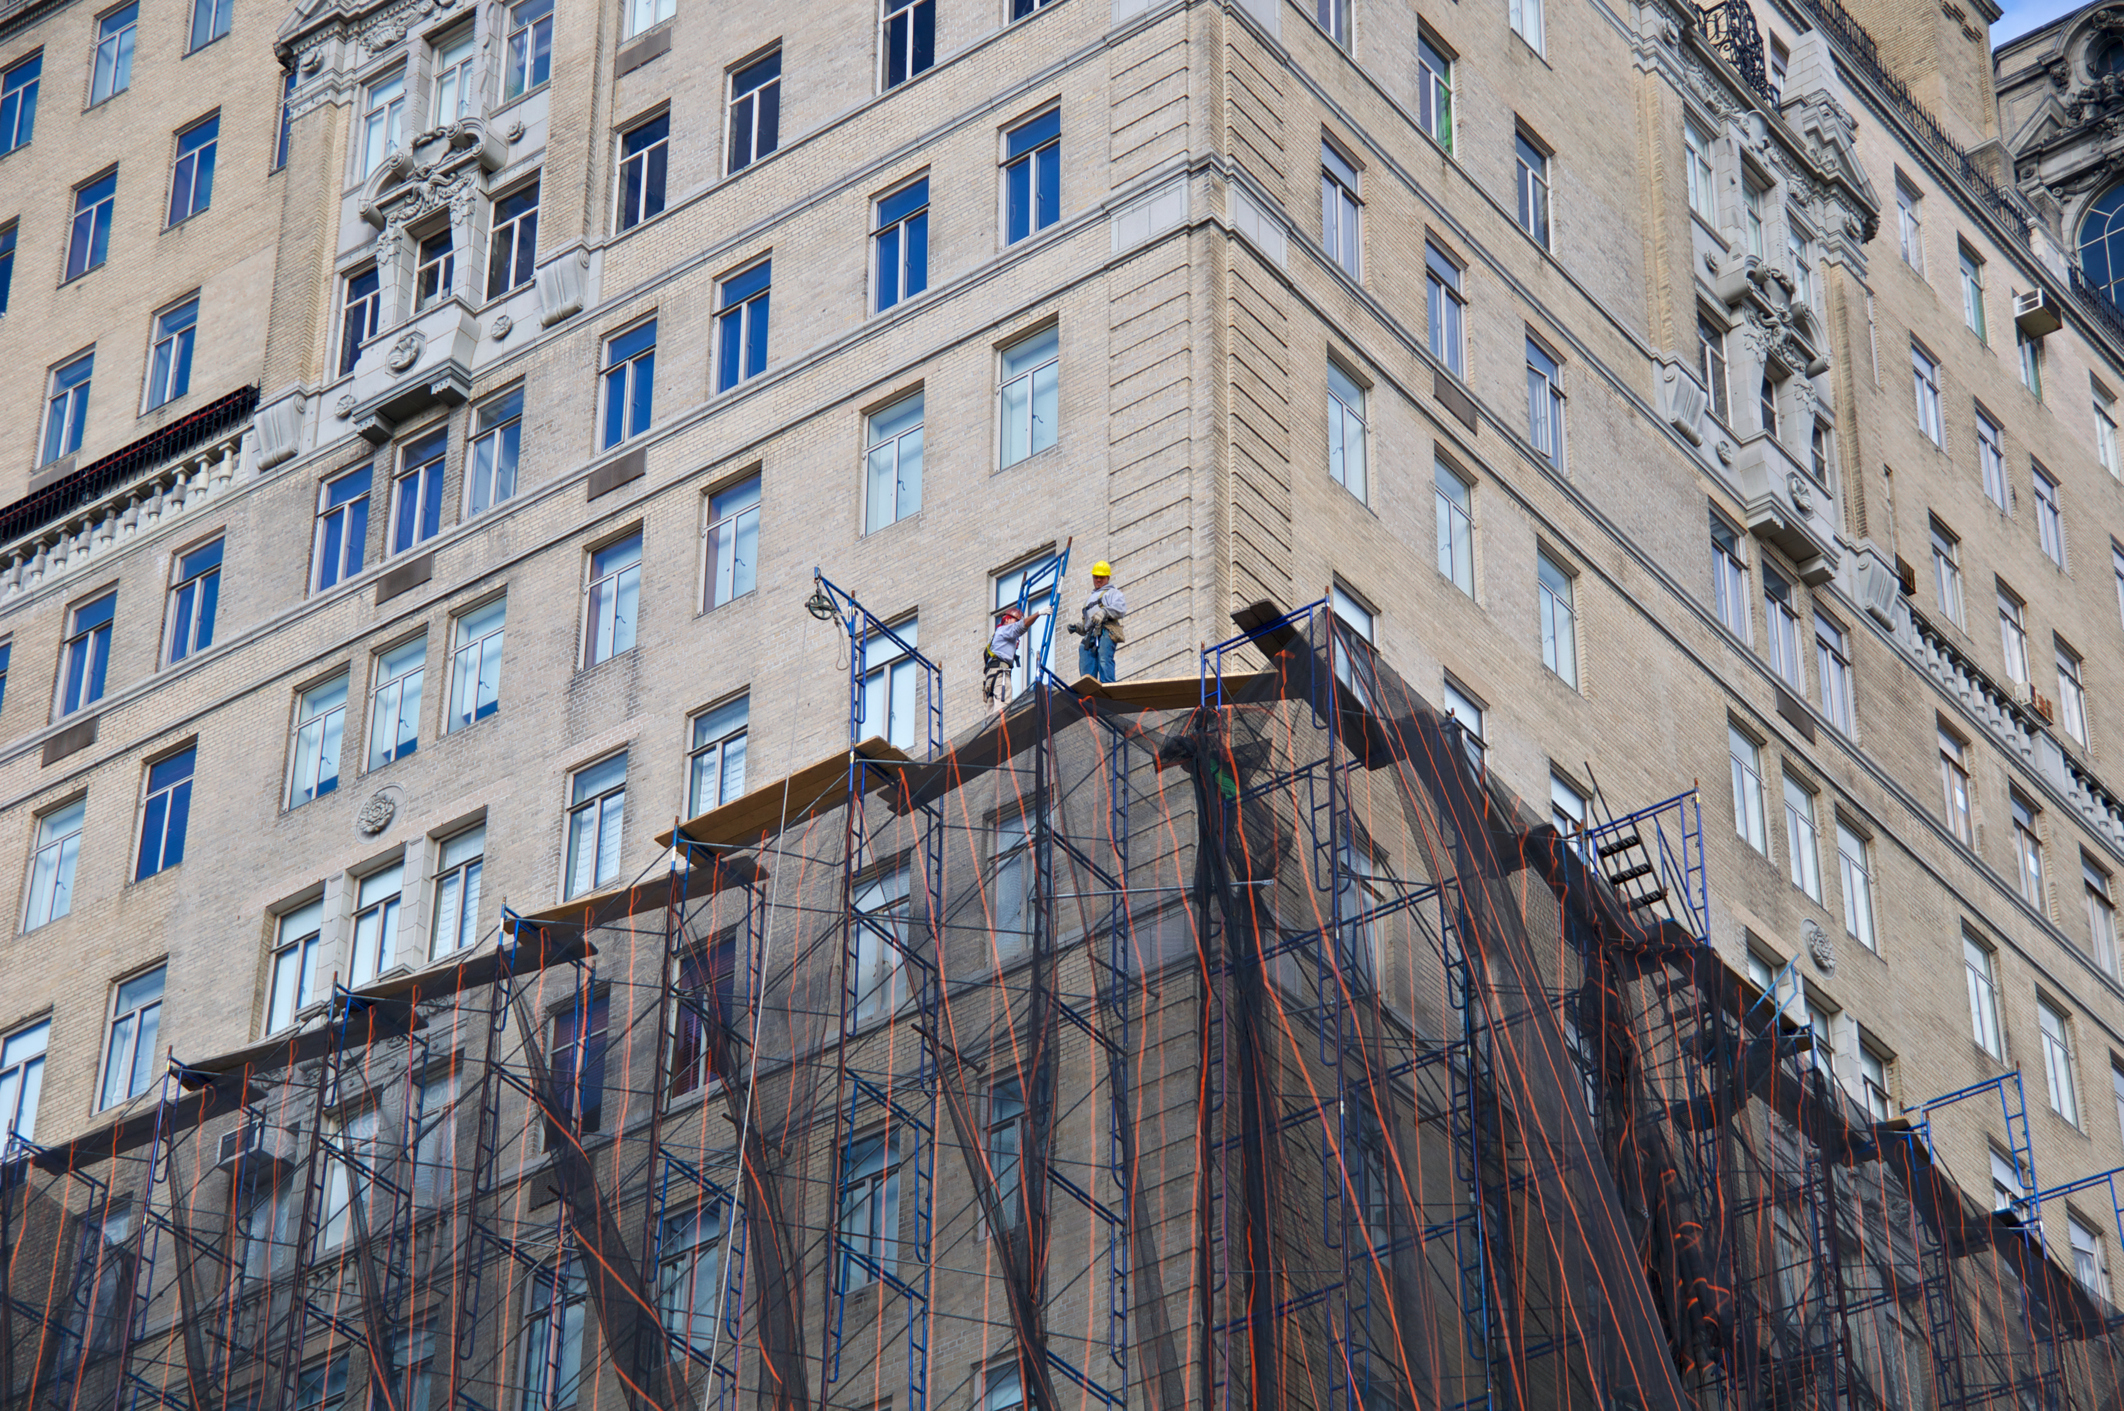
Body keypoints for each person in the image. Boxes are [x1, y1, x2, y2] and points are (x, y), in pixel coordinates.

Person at [1067, 560, 1126, 683]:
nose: (1098, 580)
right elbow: (1087, 625)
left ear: (1107, 578)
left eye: (1101, 577)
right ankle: (1089, 691)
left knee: (1104, 659)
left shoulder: (1112, 593)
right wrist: (1078, 628)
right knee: (1085, 660)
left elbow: (1120, 609)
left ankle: (1108, 686)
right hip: (1091, 635)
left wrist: (1104, 612)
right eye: (1096, 577)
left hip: (1106, 630)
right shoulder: (1088, 601)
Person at [983, 604, 1049, 712]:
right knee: (1002, 709)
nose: (1016, 623)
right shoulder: (1005, 629)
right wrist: (1039, 613)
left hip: (990, 677)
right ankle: (1000, 729)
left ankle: (993, 729)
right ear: (1007, 620)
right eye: (1015, 620)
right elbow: (1021, 626)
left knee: (990, 715)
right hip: (1000, 674)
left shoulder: (997, 635)